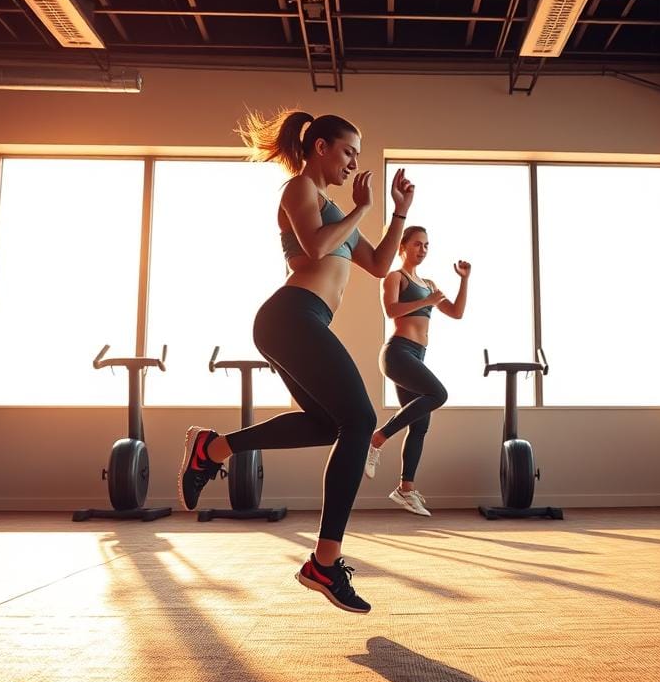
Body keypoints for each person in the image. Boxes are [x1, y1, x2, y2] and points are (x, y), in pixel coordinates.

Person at [177, 109, 414, 614]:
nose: (354, 162)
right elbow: (316, 245)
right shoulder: (299, 190)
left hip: (303, 320)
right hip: (291, 314)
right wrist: (362, 210)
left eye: (358, 154)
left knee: (327, 424)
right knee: (361, 420)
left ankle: (213, 448)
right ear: (321, 147)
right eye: (349, 151)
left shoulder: (333, 206)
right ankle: (324, 563)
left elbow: (375, 265)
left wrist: (394, 213)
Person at [364, 226, 470, 517]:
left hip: (417, 357)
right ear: (403, 246)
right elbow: (392, 311)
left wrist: (464, 281)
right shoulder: (394, 277)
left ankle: (405, 490)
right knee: (438, 393)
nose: (422, 250)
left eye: (426, 246)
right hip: (397, 354)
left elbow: (457, 312)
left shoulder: (429, 283)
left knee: (420, 425)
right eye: (417, 244)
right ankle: (377, 439)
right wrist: (425, 302)